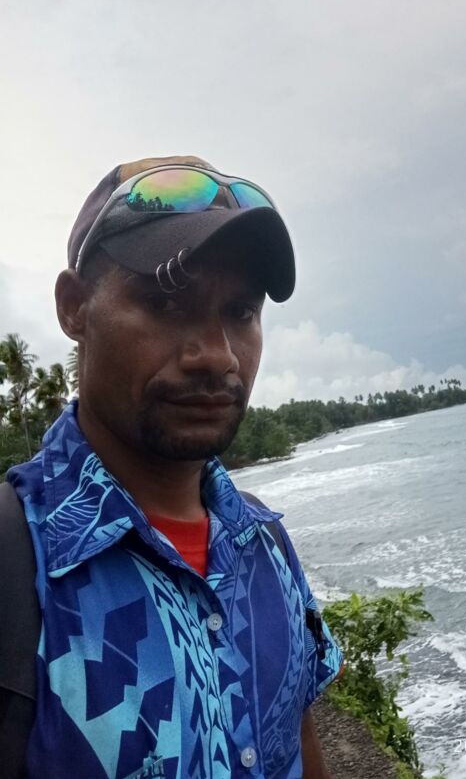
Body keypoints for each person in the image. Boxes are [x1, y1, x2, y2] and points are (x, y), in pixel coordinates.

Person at [2, 155, 342, 779]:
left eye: (241, 312)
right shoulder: (17, 560)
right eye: (164, 300)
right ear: (74, 307)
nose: (216, 355)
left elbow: (297, 744)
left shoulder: (265, 544)